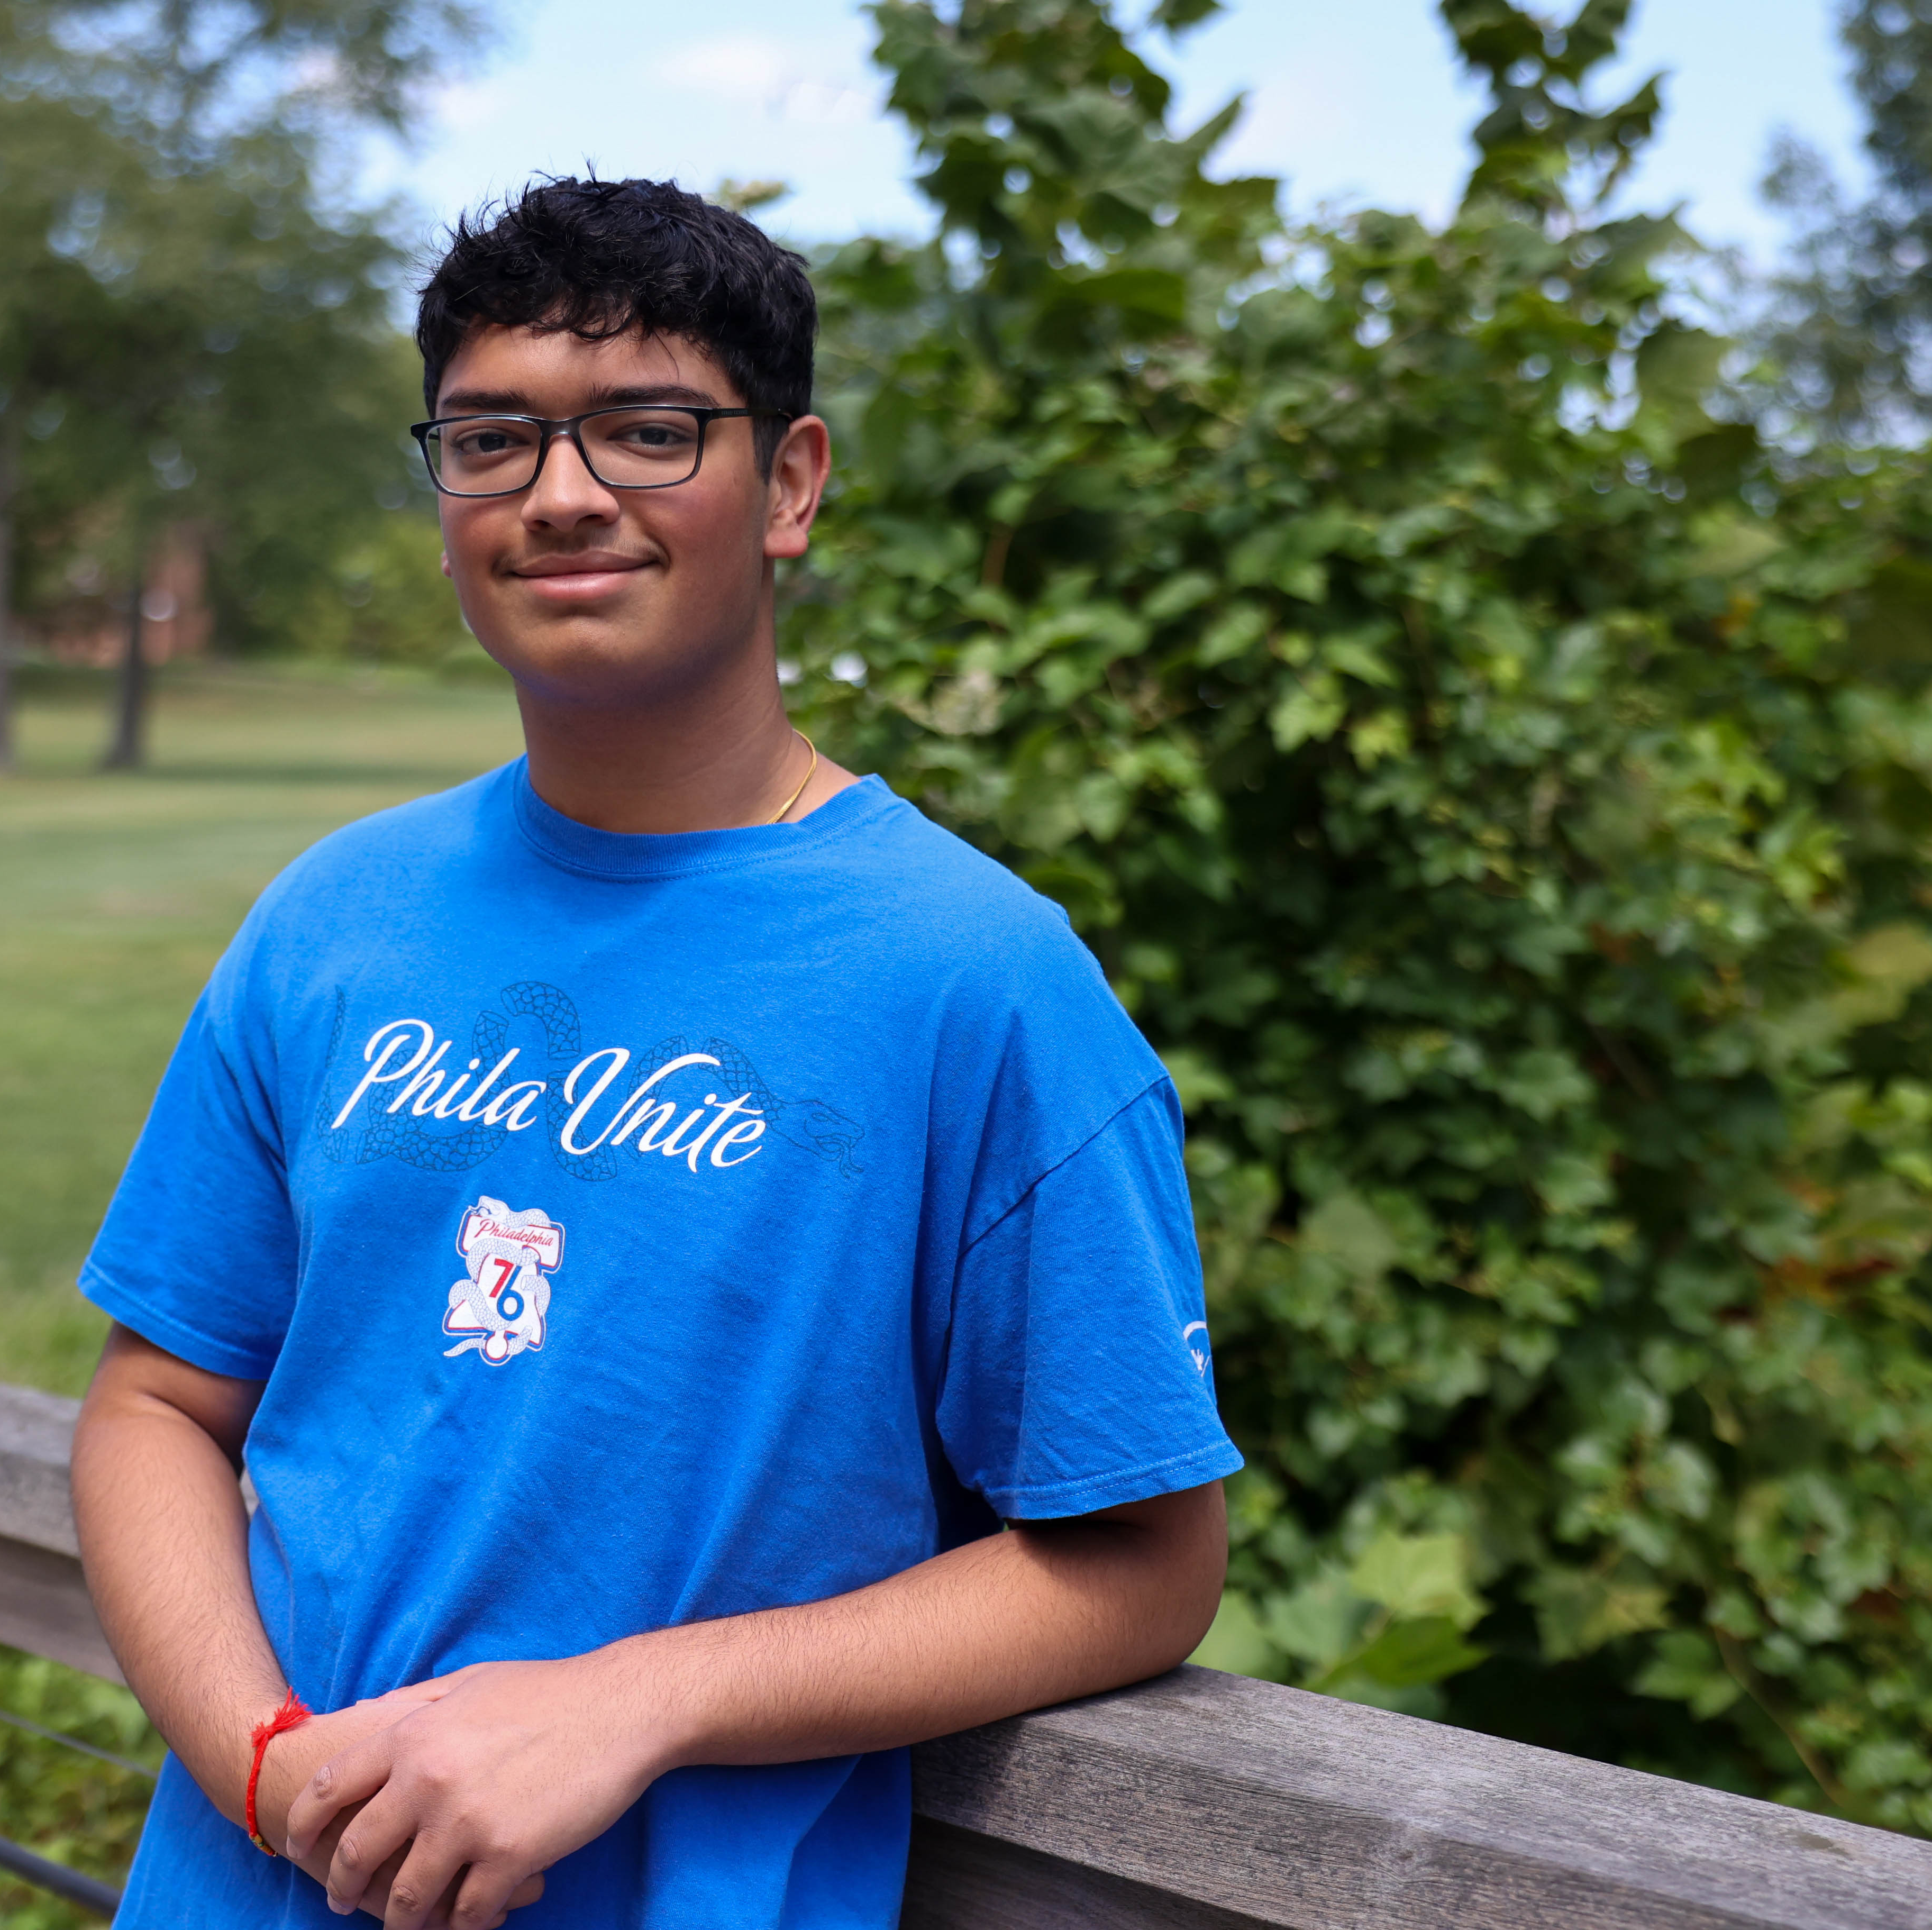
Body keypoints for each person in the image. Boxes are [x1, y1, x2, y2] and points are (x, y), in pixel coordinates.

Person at [68, 176, 1243, 1930]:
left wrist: (641, 1698)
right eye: (492, 440)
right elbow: (157, 1403)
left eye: (647, 430)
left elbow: (1143, 1567)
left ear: (790, 482)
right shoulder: (333, 920)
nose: (560, 497)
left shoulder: (972, 979)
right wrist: (267, 1762)